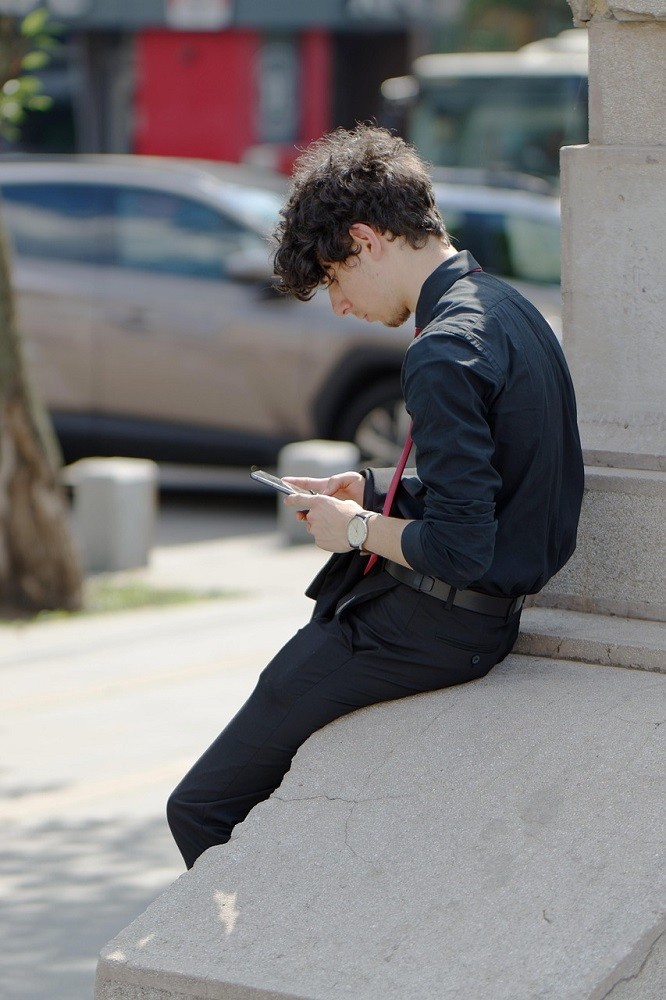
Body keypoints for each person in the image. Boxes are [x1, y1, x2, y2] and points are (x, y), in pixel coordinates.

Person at [167, 125, 584, 870]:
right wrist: (374, 488)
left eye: (334, 279)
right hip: (471, 619)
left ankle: (280, 938)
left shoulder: (444, 348)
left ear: (365, 240)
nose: (339, 305)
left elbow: (461, 547)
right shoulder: (508, 308)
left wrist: (356, 528)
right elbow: (508, 482)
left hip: (432, 626)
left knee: (200, 805)